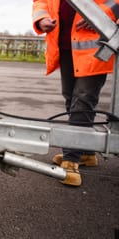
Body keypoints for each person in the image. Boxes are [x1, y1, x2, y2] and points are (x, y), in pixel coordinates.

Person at [32, 0, 118, 186]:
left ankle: (71, 161)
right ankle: (86, 152)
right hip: (65, 44)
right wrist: (41, 18)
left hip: (95, 45)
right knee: (72, 98)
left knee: (83, 98)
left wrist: (98, 15)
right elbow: (41, 1)